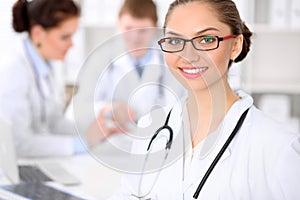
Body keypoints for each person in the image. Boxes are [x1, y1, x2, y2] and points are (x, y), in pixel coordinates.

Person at [108, 0, 300, 199]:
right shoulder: (150, 128)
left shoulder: (279, 147)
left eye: (206, 39)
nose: (188, 55)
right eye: (175, 41)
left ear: (235, 45)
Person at [83, 0, 185, 148]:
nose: (135, 38)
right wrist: (108, 108)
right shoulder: (100, 60)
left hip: (158, 144)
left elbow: (179, 107)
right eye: (128, 28)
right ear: (118, 24)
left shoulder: (170, 60)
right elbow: (76, 112)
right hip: (110, 146)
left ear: (155, 27)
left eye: (143, 30)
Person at [0, 0, 87, 157]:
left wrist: (89, 132)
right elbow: (18, 143)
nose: (71, 44)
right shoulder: (14, 69)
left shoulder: (45, 64)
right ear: (38, 34)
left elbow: (53, 122)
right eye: (65, 37)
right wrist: (78, 144)